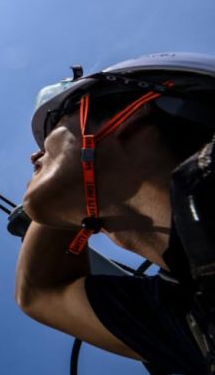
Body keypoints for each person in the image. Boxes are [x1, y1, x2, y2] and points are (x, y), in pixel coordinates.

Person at [14, 52, 215, 374]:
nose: (35, 154)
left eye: (58, 121)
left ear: (131, 117)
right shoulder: (186, 318)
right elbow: (40, 293)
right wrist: (66, 198)